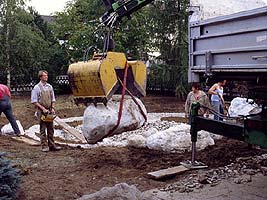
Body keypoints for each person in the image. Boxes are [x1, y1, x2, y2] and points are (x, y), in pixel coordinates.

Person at [31, 70, 61, 152]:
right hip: (42, 111)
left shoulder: (49, 87)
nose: (46, 77)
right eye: (44, 76)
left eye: (47, 75)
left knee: (51, 128)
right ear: (40, 77)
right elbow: (34, 101)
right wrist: (43, 109)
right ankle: (44, 146)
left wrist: (53, 108)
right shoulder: (37, 88)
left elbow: (53, 98)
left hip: (49, 111)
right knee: (43, 128)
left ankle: (52, 145)